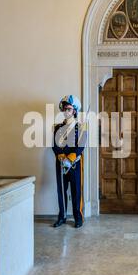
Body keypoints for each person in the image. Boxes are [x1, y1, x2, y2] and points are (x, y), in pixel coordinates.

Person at [52, 95, 87, 229]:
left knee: (76, 190)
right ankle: (62, 217)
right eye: (64, 109)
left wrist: (71, 158)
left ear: (74, 111)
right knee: (61, 190)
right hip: (60, 163)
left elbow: (81, 145)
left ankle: (78, 218)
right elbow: (54, 145)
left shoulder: (81, 127)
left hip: (75, 164)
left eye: (69, 109)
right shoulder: (57, 128)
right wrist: (61, 157)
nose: (66, 111)